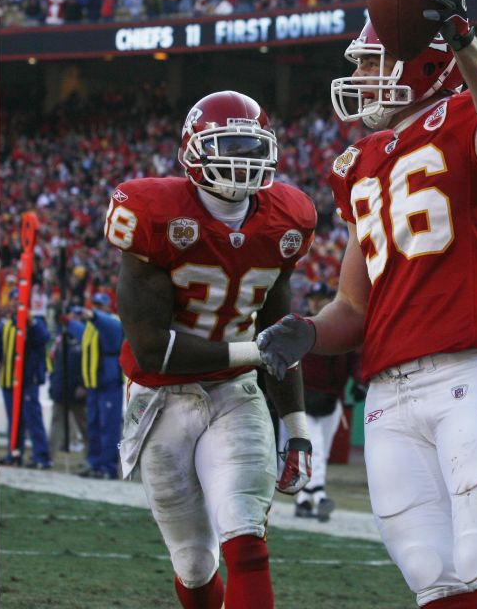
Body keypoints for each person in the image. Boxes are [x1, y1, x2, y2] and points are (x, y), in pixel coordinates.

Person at [256, 0, 477, 609]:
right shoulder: (358, 162)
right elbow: (352, 305)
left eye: (370, 63)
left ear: (418, 61)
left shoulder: (470, 117)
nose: (359, 78)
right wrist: (308, 330)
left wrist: (464, 41)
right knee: (433, 575)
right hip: (388, 395)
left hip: (469, 371)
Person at [104, 90, 317, 609]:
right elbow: (153, 351)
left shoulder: (287, 218)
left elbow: (277, 328)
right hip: (160, 398)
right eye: (229, 147)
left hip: (234, 394)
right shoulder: (151, 212)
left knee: (245, 535)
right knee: (195, 563)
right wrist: (255, 352)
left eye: (252, 148)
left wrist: (297, 430)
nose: (242, 161)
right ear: (193, 151)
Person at [283, 283, 362, 522]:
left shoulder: (340, 330)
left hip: (330, 401)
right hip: (303, 399)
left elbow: (354, 359)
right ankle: (320, 494)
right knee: (313, 447)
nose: (317, 303)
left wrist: (359, 382)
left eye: (322, 298)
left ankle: (303, 500)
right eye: (313, 298)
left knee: (321, 452)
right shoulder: (300, 328)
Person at [77, 292, 125, 479]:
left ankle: (109, 467)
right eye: (94, 304)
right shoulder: (91, 325)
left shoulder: (113, 321)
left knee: (109, 426)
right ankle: (95, 463)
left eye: (100, 304)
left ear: (107, 306)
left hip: (108, 382)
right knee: (94, 425)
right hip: (94, 383)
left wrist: (94, 316)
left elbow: (109, 326)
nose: (96, 307)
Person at [0, 303, 53, 469]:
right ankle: (14, 453)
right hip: (9, 379)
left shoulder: (34, 322)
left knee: (33, 418)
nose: (14, 307)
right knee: (14, 420)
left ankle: (41, 457)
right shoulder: (6, 324)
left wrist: (31, 322)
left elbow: (44, 337)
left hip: (28, 379)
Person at [48, 305, 88, 459]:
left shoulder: (84, 335)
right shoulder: (60, 338)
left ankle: (91, 459)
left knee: (84, 426)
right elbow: (53, 362)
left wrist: (83, 385)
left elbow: (88, 364)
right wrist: (53, 383)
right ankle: (49, 457)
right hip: (60, 388)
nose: (76, 317)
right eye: (73, 315)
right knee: (56, 423)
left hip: (77, 390)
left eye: (79, 315)